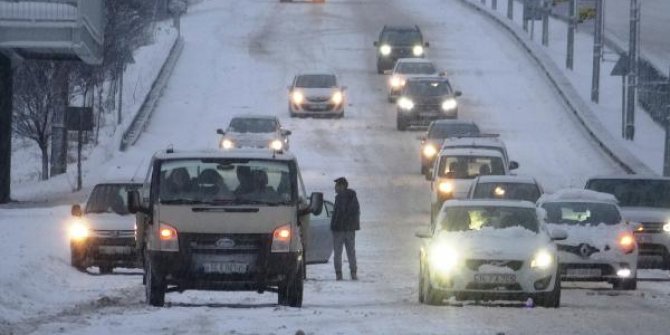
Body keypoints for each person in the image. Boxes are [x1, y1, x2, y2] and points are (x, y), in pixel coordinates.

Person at [331, 177, 360, 281]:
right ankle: (353, 273)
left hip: (339, 229)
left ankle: (339, 274)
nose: (335, 187)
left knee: (338, 253)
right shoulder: (353, 196)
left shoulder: (340, 197)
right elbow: (355, 212)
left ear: (342, 186)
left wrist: (334, 224)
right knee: (351, 252)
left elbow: (340, 213)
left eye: (337, 185)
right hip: (350, 229)